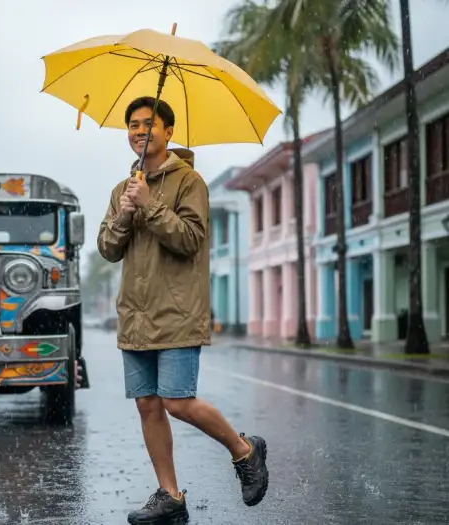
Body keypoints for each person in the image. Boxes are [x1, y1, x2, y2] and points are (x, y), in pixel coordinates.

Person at [97, 96, 269, 524]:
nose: (140, 131)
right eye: (133, 125)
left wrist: (151, 205)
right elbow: (107, 248)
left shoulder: (189, 182)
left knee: (177, 401)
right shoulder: (123, 189)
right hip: (134, 315)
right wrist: (124, 213)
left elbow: (191, 239)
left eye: (149, 124)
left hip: (175, 312)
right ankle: (170, 495)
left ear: (169, 132)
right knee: (148, 406)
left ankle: (245, 450)